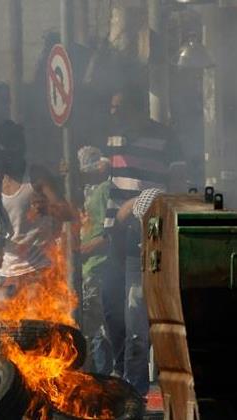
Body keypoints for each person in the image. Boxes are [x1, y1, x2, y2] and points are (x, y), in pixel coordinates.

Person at [102, 82, 182, 379]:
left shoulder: (167, 139)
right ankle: (121, 372)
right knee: (111, 306)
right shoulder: (113, 138)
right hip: (117, 236)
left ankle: (134, 385)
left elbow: (176, 189)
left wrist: (138, 204)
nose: (114, 114)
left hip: (148, 235)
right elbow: (102, 170)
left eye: (119, 108)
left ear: (138, 109)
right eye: (112, 108)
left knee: (136, 313)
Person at [0, 120, 72, 317]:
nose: (7, 156)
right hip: (7, 271)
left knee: (35, 330)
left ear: (20, 148)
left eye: (11, 148)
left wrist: (48, 208)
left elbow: (67, 212)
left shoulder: (35, 176)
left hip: (39, 270)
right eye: (2, 150)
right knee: (3, 331)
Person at [77, 146, 113, 375]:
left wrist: (85, 249)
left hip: (97, 267)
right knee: (96, 327)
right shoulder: (91, 191)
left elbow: (108, 232)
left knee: (94, 327)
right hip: (89, 267)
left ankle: (100, 376)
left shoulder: (104, 190)